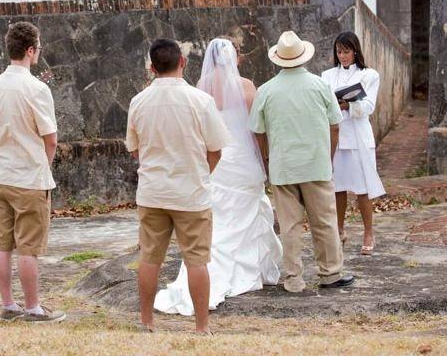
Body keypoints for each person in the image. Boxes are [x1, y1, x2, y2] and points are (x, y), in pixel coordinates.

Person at [155, 38, 282, 316]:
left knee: (219, 219)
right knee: (247, 214)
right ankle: (248, 269)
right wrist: (264, 159)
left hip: (217, 159)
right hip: (244, 162)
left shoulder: (203, 86)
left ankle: (208, 271)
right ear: (235, 58)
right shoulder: (248, 87)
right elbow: (257, 129)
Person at [126, 38, 233, 333]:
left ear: (151, 68)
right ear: (182, 63)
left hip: (153, 191)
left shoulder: (139, 101)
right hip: (191, 192)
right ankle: (201, 327)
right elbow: (216, 149)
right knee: (197, 260)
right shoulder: (200, 100)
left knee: (150, 257)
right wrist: (202, 173)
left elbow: (135, 148)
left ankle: (146, 320)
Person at [249, 31, 355, 293]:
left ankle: (294, 277)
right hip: (316, 162)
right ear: (303, 56)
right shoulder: (320, 86)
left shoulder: (266, 90)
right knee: (325, 221)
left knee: (289, 225)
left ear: (279, 59)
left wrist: (266, 159)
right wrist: (328, 158)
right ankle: (330, 273)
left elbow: (258, 131)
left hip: (283, 166)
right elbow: (335, 127)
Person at [0, 22, 65, 322]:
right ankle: (33, 306)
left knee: (2, 244)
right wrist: (45, 164)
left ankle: (8, 303)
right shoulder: (37, 88)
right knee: (28, 248)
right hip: (29, 177)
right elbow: (51, 137)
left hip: (0, 174)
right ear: (31, 50)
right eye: (38, 47)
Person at [321, 31, 385, 256]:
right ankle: (339, 230)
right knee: (337, 188)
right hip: (336, 136)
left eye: (346, 51)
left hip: (358, 136)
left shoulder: (369, 75)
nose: (342, 56)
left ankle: (368, 232)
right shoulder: (327, 76)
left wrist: (348, 105)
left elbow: (369, 106)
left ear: (355, 51)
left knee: (362, 188)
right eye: (339, 52)